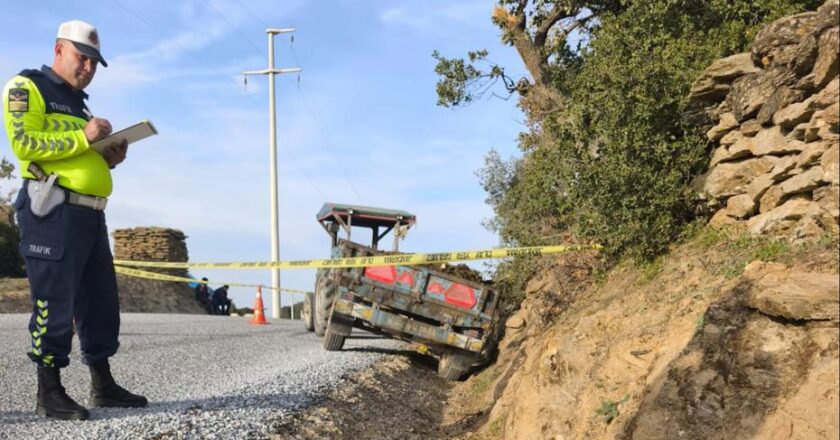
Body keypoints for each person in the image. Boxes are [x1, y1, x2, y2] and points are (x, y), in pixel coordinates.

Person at [2, 20, 146, 421]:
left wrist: (107, 157)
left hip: (91, 213)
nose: (88, 67)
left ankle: (103, 385)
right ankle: (49, 392)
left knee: (99, 303)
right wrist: (85, 137)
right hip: (53, 210)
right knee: (55, 302)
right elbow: (24, 144)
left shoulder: (79, 102)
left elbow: (77, 155)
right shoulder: (25, 86)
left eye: (95, 62)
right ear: (58, 50)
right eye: (82, 57)